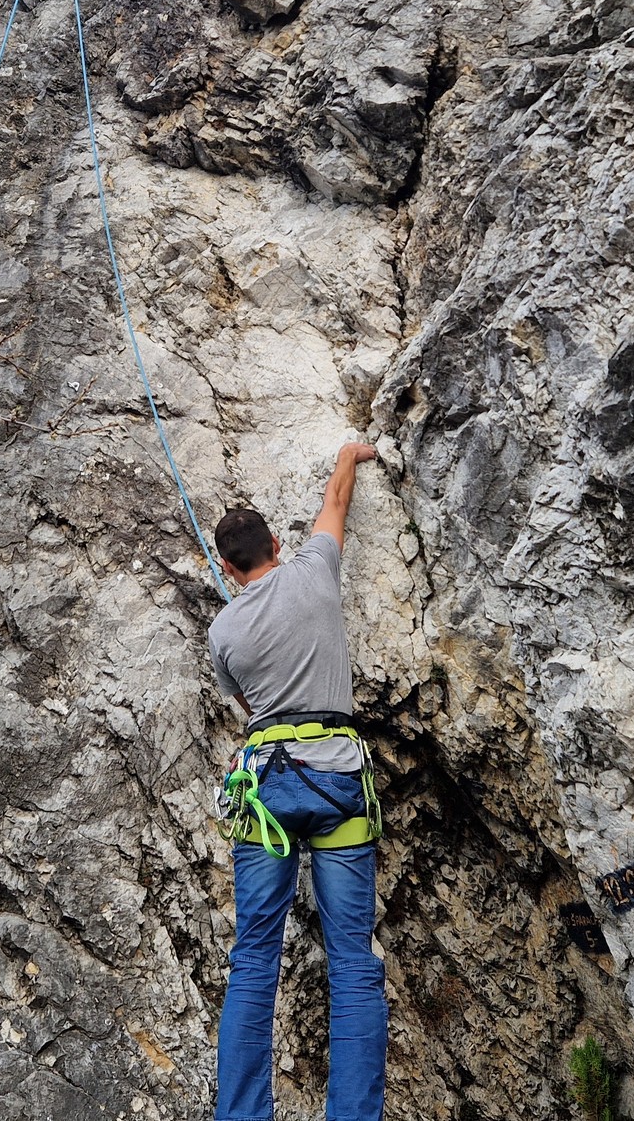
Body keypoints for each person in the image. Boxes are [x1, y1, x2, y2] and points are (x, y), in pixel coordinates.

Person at [207, 441, 388, 1121]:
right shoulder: (315, 571)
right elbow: (335, 503)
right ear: (277, 543)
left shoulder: (224, 630)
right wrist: (350, 453)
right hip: (338, 779)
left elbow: (253, 711)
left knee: (254, 961)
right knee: (352, 961)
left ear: (228, 567)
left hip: (267, 795)